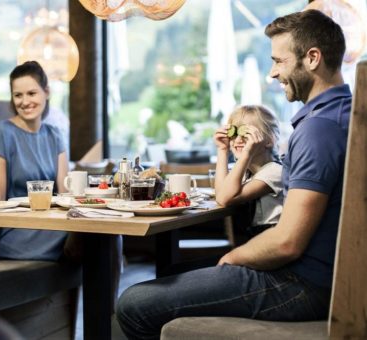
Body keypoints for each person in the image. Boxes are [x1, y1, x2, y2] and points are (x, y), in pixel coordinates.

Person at [116, 9, 351, 339]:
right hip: (328, 277)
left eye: (279, 61)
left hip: (302, 285)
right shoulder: (345, 114)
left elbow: (287, 243)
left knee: (133, 302)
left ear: (312, 58)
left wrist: (234, 256)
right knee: (174, 273)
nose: (272, 73)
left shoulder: (319, 129)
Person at [0, 61, 122, 308]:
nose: (25, 101)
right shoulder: (0, 133)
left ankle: (108, 317)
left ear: (46, 93)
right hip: (20, 232)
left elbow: (64, 189)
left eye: (31, 93)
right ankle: (108, 320)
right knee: (101, 238)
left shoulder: (54, 134)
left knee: (109, 231)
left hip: (53, 226)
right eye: (18, 95)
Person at [214, 105, 283, 236]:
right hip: (255, 236)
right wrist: (222, 150)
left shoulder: (275, 172)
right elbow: (220, 194)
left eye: (246, 134)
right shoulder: (247, 172)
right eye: (234, 134)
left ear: (269, 140)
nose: (238, 140)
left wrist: (246, 154)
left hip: (271, 237)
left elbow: (223, 198)